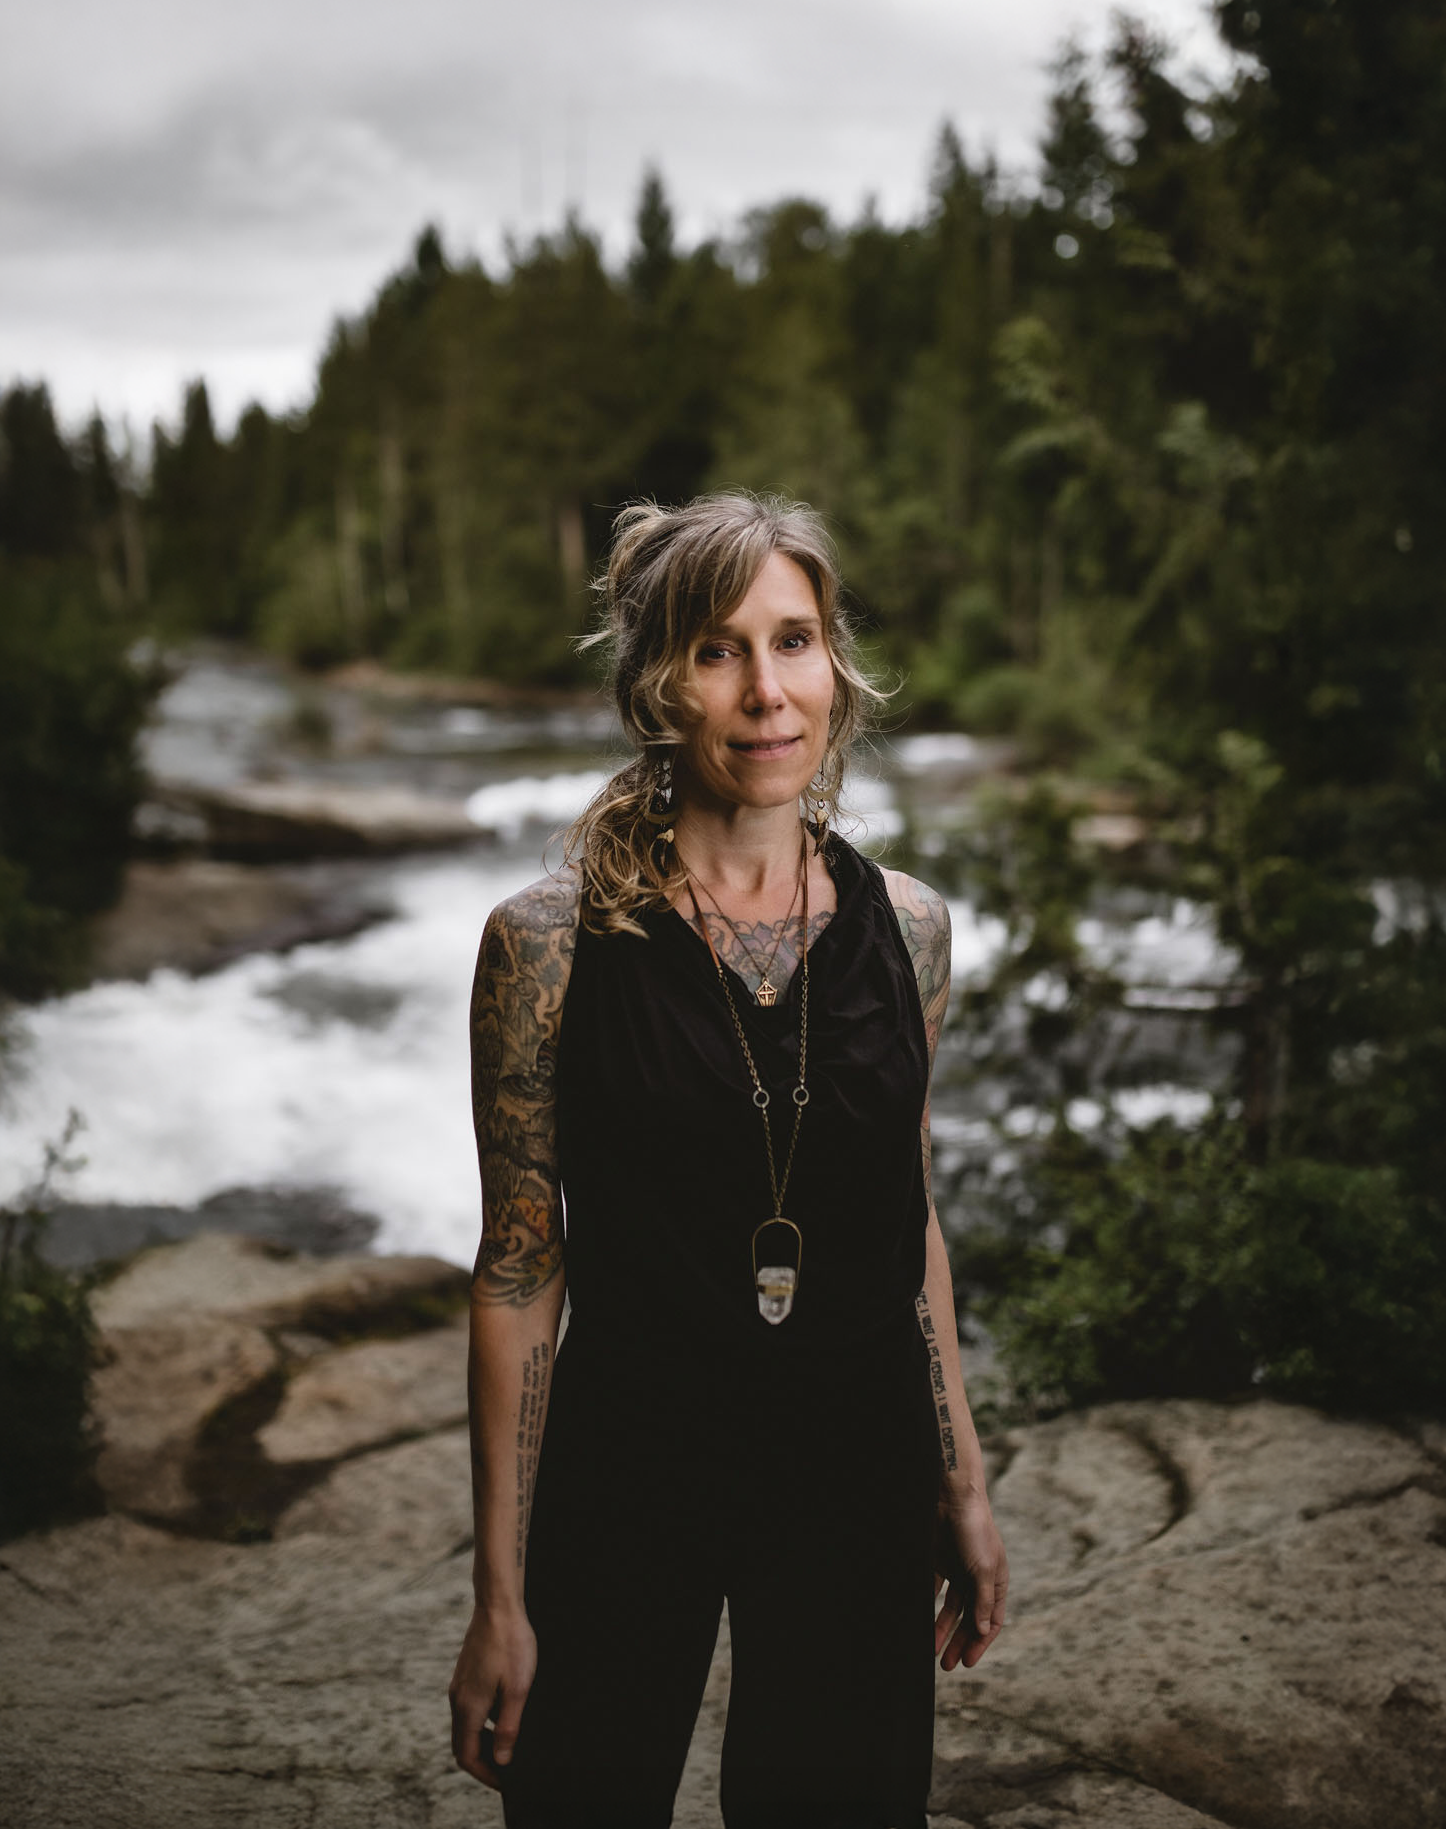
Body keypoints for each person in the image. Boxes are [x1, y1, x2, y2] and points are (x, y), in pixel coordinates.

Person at [449, 493, 1008, 1828]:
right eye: (716, 650)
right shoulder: (548, 946)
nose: (766, 692)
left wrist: (963, 1483)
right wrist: (500, 1596)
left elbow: (902, 1216)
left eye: (793, 641)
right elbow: (521, 1268)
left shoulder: (911, 933)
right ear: (656, 684)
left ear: (834, 666)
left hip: (855, 1465)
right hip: (630, 1459)